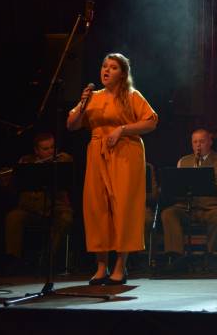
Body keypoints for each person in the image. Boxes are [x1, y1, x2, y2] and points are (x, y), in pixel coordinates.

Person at [67, 53, 158, 285]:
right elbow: (71, 125)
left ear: (123, 73)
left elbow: (151, 120)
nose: (106, 70)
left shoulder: (131, 95)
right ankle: (101, 267)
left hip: (125, 152)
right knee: (97, 207)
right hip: (97, 153)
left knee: (123, 207)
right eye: (104, 66)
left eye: (113, 67)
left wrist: (123, 129)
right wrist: (82, 104)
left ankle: (120, 266)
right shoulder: (93, 97)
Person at [3, 133, 73, 271]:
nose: (50, 151)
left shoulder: (62, 159)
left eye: (53, 147)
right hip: (30, 208)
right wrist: (7, 181)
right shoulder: (26, 161)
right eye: (45, 149)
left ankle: (48, 258)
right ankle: (13, 260)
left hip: (55, 208)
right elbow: (15, 189)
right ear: (36, 150)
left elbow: (67, 161)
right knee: (13, 217)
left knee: (66, 218)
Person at [161, 128, 217, 272]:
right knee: (168, 213)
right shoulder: (184, 161)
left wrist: (208, 183)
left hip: (211, 208)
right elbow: (176, 189)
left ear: (210, 142)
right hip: (187, 207)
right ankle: (176, 256)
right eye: (195, 142)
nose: (198, 145)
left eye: (202, 141)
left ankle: (209, 256)